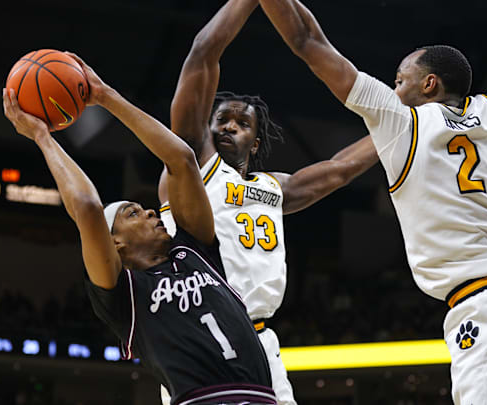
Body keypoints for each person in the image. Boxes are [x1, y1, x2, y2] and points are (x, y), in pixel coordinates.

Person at [256, 1, 487, 403]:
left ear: (429, 84)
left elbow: (306, 40)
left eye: (400, 80)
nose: (394, 88)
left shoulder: (400, 120)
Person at [2, 52, 278, 405]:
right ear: (114, 243)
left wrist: (104, 95)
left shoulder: (195, 251)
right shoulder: (123, 293)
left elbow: (181, 159)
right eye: (133, 214)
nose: (149, 211)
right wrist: (42, 136)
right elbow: (87, 208)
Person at [155, 1, 380, 404]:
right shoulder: (190, 169)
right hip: (201, 331)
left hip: (260, 338)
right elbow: (203, 52)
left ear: (255, 143)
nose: (228, 126)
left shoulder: (275, 188)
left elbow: (339, 168)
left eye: (241, 124)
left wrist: (401, 123)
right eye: (221, 120)